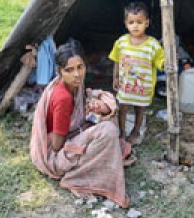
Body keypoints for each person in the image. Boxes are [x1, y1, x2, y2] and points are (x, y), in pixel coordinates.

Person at [30, 39, 130, 208]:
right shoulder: (63, 98)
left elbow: (82, 106)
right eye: (69, 70)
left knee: (106, 108)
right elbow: (56, 145)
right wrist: (81, 132)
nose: (76, 74)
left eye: (80, 67)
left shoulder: (73, 85)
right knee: (107, 130)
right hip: (54, 157)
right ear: (59, 71)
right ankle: (76, 177)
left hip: (63, 140)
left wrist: (92, 111)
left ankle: (102, 156)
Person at [109, 2, 164, 145]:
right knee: (123, 108)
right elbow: (116, 60)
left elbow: (160, 59)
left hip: (143, 88)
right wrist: (115, 77)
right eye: (131, 22)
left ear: (147, 23)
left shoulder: (153, 44)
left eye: (139, 22)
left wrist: (166, 63)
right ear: (126, 24)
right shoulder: (121, 42)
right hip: (125, 85)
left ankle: (136, 130)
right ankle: (122, 132)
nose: (135, 26)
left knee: (140, 109)